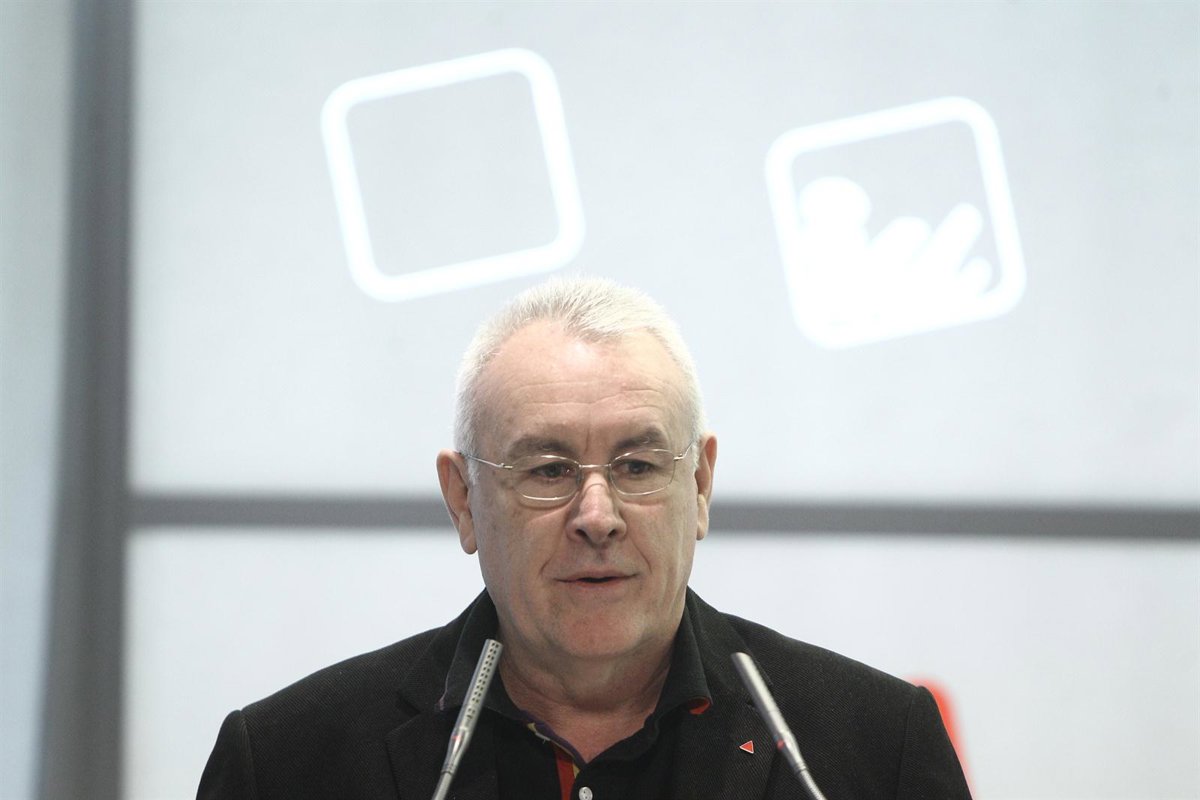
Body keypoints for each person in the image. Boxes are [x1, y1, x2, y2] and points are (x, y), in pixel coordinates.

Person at [197, 277, 971, 799]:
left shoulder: (873, 750)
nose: (597, 515)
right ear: (463, 500)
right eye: (548, 469)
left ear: (700, 486)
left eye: (637, 466)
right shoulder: (288, 763)